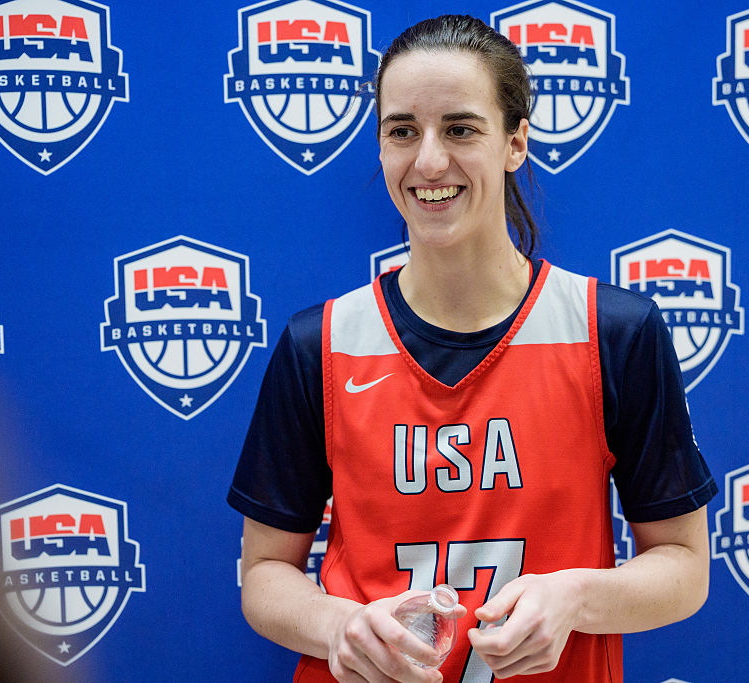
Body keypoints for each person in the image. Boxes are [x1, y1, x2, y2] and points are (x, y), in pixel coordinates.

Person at [228, 14, 717, 682]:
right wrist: (339, 625)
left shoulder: (612, 331)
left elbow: (686, 569)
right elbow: (265, 573)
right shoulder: (321, 343)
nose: (429, 161)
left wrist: (573, 597)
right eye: (402, 131)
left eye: (460, 128)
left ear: (516, 141)